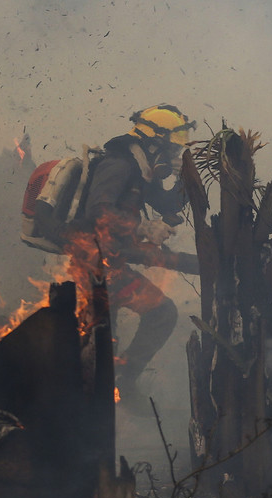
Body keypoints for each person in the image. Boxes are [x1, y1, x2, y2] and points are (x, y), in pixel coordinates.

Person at [66, 104, 195, 402]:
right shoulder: (119, 165)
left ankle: (119, 378)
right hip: (93, 268)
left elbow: (169, 205)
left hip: (111, 265)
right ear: (153, 144)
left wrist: (185, 179)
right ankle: (101, 395)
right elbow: (98, 210)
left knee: (155, 316)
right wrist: (143, 229)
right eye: (171, 151)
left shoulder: (141, 172)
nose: (173, 157)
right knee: (104, 339)